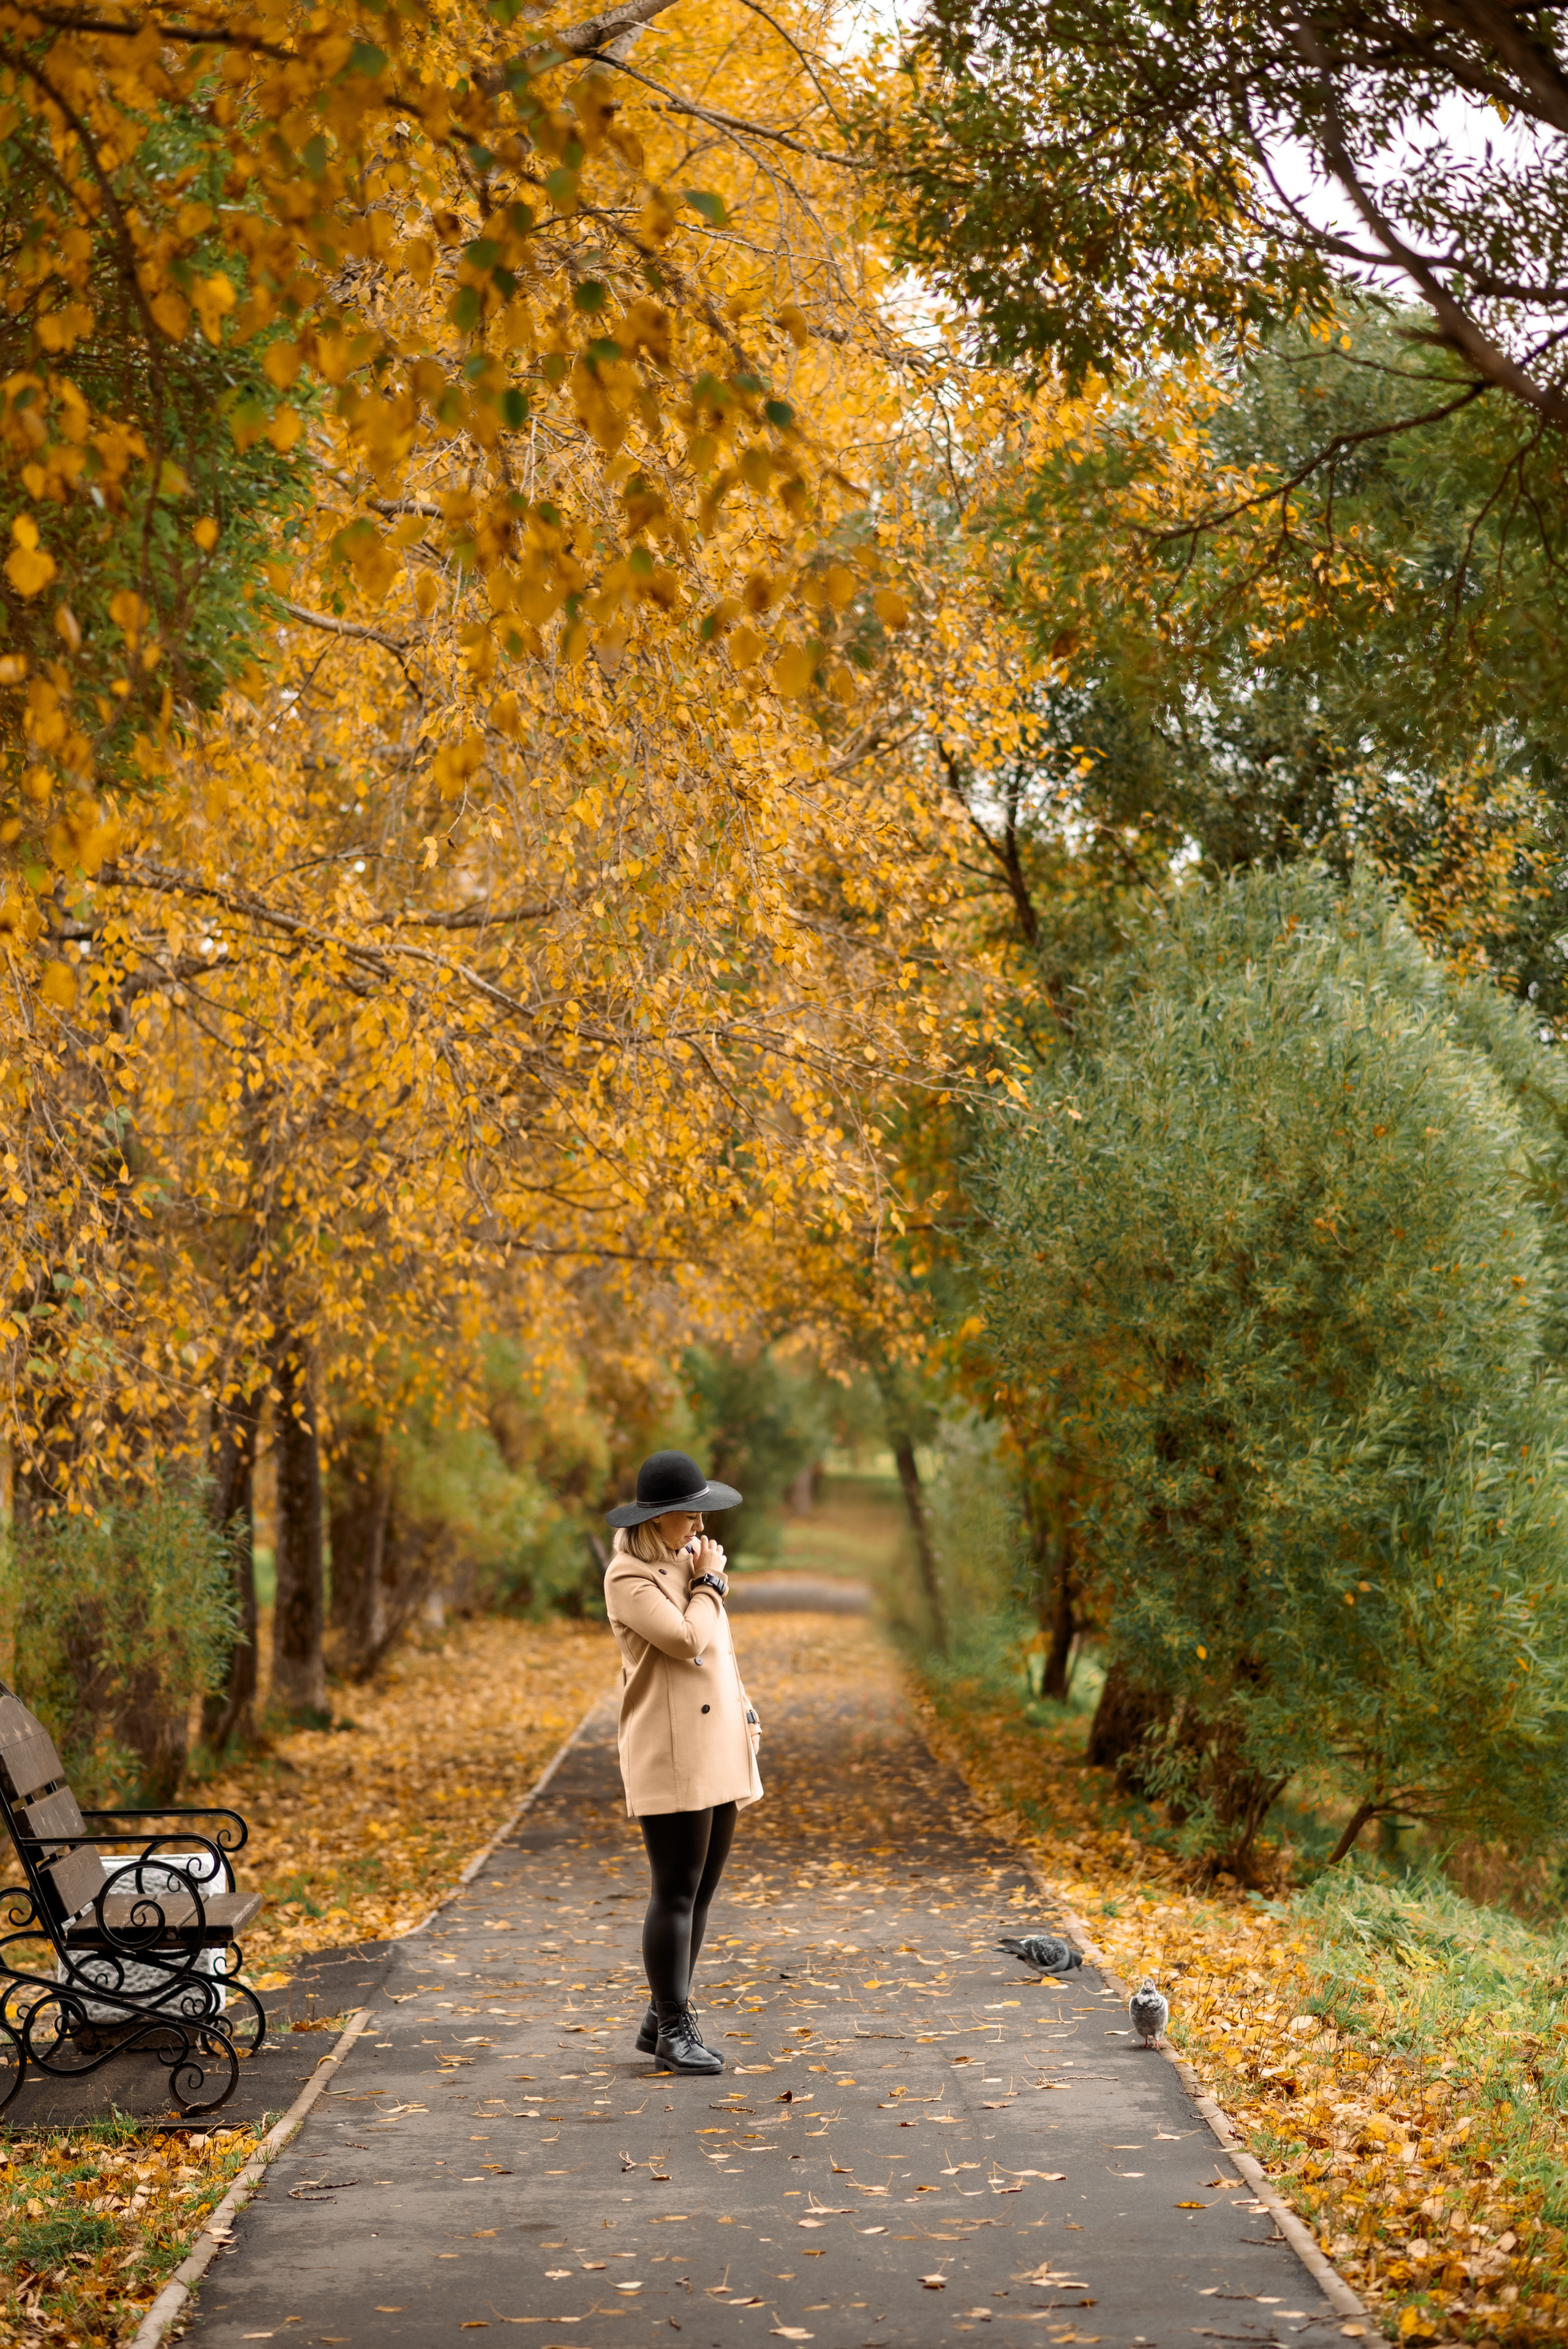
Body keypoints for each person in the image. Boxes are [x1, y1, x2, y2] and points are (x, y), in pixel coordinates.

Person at [605, 1450, 763, 2076]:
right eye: (689, 1516)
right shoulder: (629, 1577)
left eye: (701, 1516)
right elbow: (685, 1639)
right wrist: (711, 1583)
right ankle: (673, 2029)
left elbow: (720, 1652)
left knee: (699, 1893)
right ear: (660, 1518)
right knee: (672, 1891)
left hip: (717, 1742)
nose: (700, 1526)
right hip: (670, 1750)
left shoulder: (682, 1563)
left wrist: (744, 1707)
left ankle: (660, 2014)